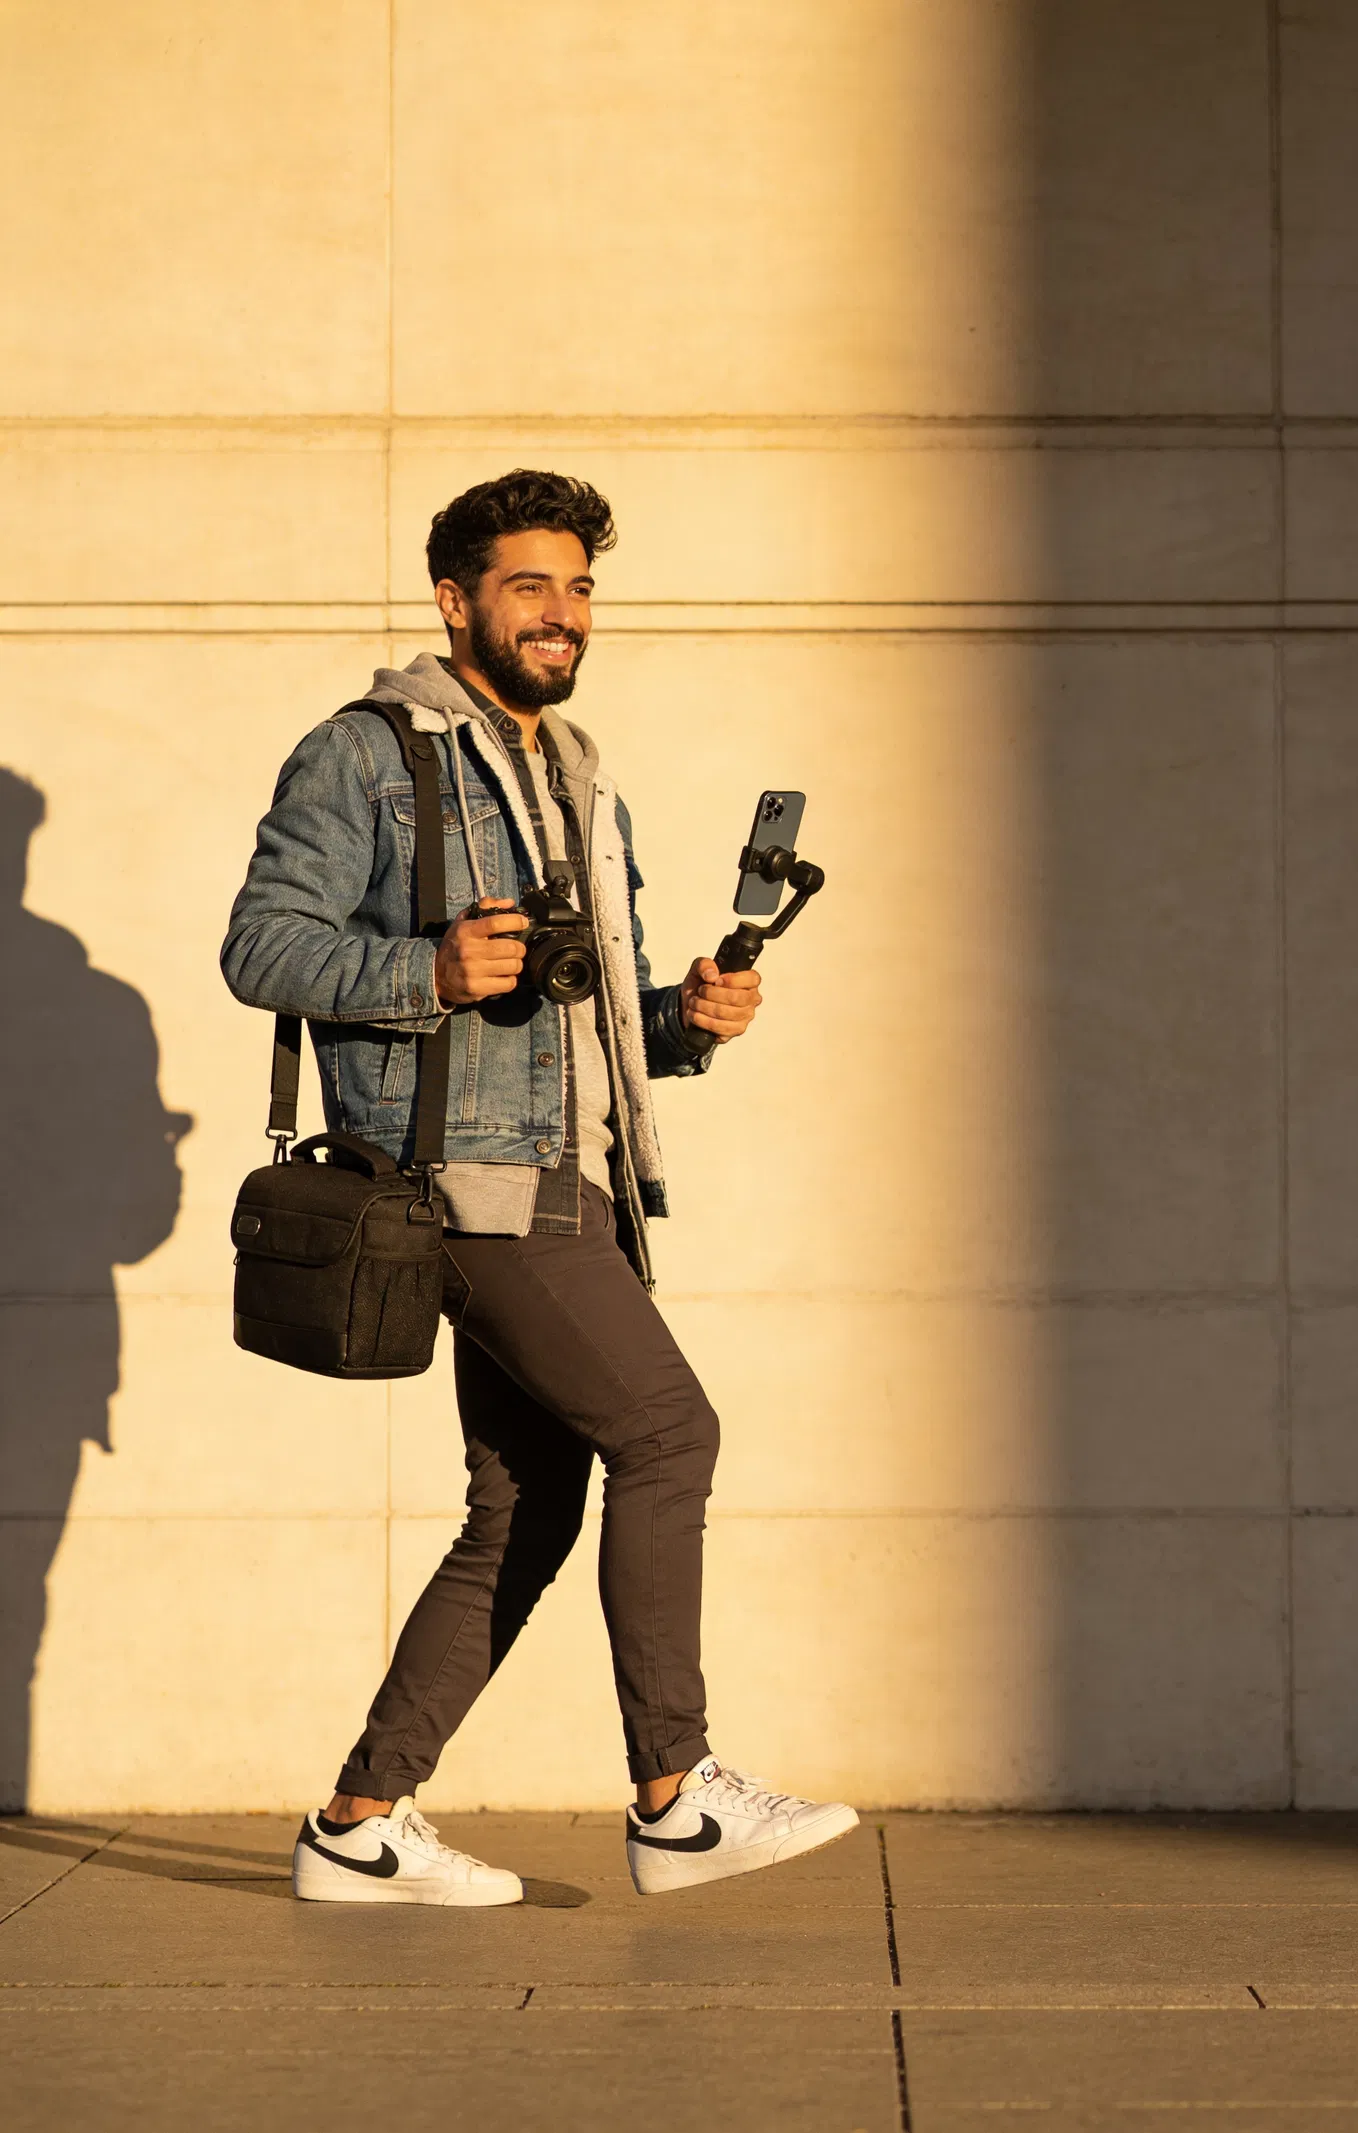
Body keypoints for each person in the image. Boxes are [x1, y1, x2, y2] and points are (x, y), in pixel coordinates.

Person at [222, 470, 856, 1907]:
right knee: (670, 1433)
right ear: (456, 600)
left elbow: (591, 1003)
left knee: (524, 1509)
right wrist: (424, 970)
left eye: (577, 588)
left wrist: (685, 1018)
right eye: (530, 586)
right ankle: (677, 1798)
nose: (562, 614)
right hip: (463, 1179)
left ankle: (360, 1822)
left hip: (583, 1180)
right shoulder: (365, 756)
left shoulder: (576, 769)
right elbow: (262, 947)